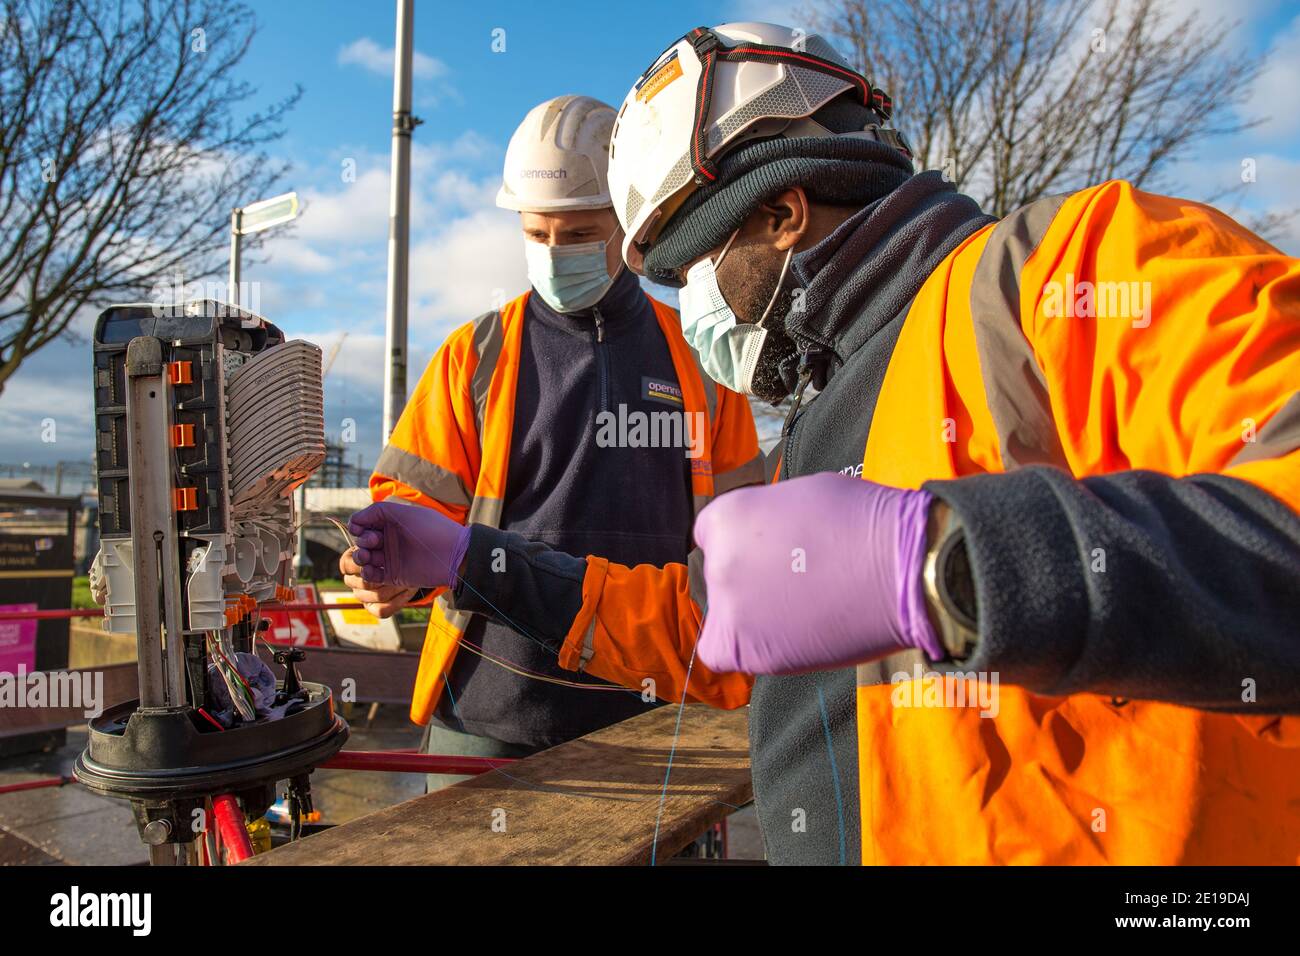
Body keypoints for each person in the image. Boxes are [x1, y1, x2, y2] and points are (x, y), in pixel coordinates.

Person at [348, 23, 1300, 864]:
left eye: (693, 266)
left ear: (780, 212)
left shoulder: (1076, 273)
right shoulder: (827, 403)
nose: (692, 304)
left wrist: (942, 569)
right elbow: (706, 630)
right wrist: (482, 561)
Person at [340, 94, 761, 790]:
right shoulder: (475, 356)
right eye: (538, 233)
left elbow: (746, 536)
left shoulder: (703, 362)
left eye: (580, 233)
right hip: (490, 713)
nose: (556, 252)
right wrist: (389, 568)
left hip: (659, 709)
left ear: (630, 223)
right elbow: (413, 508)